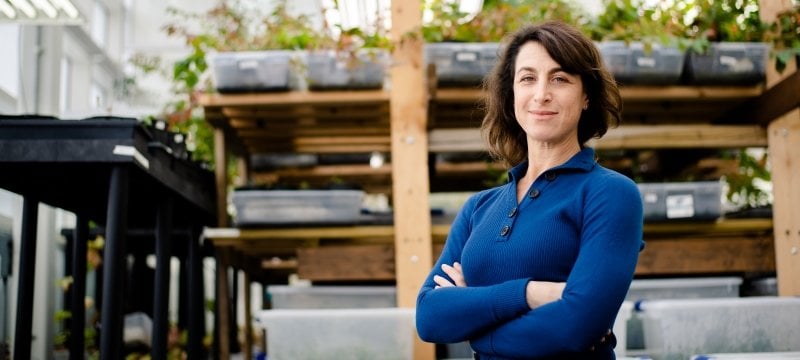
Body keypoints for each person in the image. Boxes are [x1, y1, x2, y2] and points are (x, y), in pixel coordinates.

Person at [415, 21, 644, 359]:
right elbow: (429, 317)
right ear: (511, 96)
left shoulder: (609, 194)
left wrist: (478, 332)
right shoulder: (479, 207)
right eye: (527, 78)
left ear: (586, 97)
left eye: (560, 78)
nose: (541, 94)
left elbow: (576, 326)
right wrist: (530, 294)